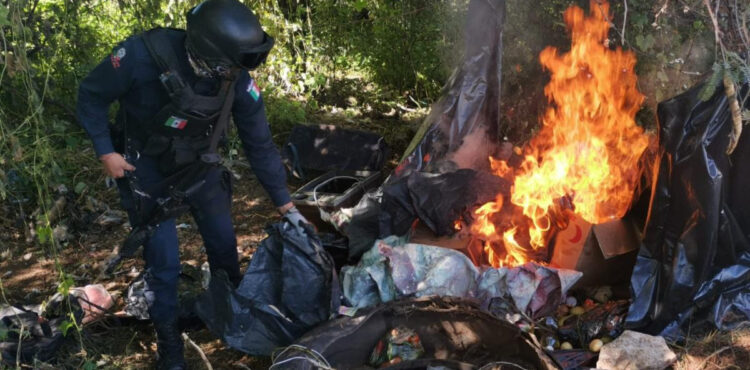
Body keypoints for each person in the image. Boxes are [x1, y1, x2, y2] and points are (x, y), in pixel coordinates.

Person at [76, 0, 307, 368]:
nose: (237, 71)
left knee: (223, 246)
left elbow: (259, 142)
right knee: (164, 263)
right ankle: (169, 345)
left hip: (202, 166)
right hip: (145, 171)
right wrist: (106, 152)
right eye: (232, 64)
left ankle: (227, 317)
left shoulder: (236, 75)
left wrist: (285, 203)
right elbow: (90, 96)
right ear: (209, 50)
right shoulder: (140, 55)